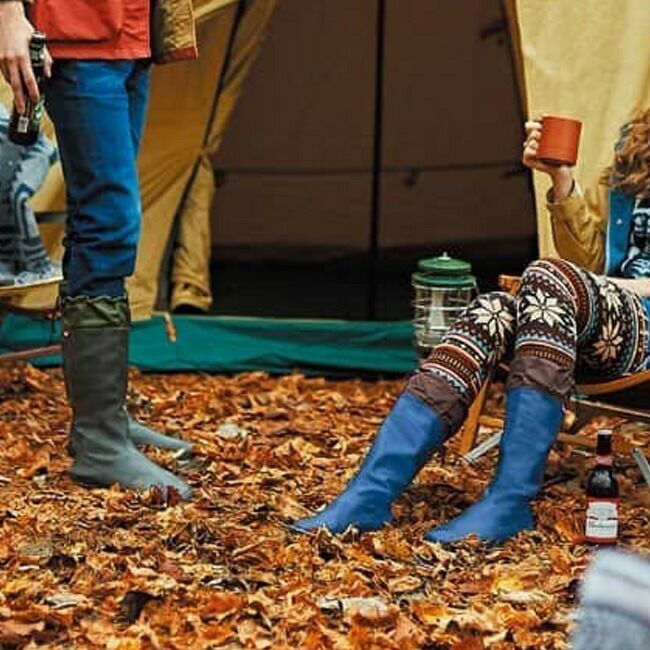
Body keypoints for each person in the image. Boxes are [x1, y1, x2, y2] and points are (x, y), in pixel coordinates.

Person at [294, 108, 650, 543]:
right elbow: (593, 261)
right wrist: (560, 178)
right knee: (492, 311)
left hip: (644, 336)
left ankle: (508, 501)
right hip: (606, 327)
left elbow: (590, 279)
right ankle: (369, 494)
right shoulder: (638, 140)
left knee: (546, 276)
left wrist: (592, 283)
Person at [0, 0, 197, 497]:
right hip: (75, 37)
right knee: (109, 222)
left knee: (100, 222)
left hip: (130, 34)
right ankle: (99, 440)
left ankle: (106, 421)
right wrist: (9, 16)